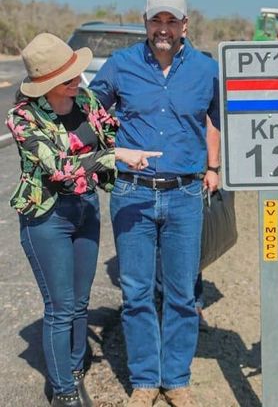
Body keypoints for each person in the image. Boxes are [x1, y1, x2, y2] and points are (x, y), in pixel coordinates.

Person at [6, 33, 159, 407]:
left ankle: (74, 367)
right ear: (49, 82)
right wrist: (117, 156)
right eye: (71, 75)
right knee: (60, 306)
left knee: (80, 302)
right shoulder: (23, 117)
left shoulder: (86, 99)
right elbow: (59, 168)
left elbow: (111, 128)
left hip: (85, 207)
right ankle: (64, 391)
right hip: (48, 216)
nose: (79, 78)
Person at [90, 0, 220, 407]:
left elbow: (219, 120)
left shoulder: (206, 69)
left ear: (185, 24)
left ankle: (176, 378)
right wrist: (107, 153)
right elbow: (90, 114)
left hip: (185, 195)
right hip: (132, 194)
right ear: (145, 22)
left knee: (182, 293)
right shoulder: (121, 64)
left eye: (171, 21)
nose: (163, 28)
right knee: (137, 291)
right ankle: (146, 379)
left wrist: (213, 167)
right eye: (156, 20)